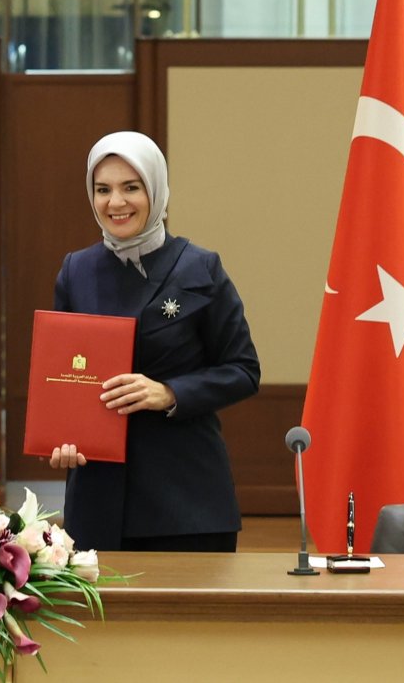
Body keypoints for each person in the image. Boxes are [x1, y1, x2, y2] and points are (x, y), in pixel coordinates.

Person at [48, 130, 261, 552]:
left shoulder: (200, 268)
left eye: (131, 187)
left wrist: (169, 392)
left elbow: (243, 370)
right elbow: (64, 373)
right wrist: (62, 437)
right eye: (103, 189)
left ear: (157, 189)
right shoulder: (76, 271)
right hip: (99, 500)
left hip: (186, 500)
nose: (116, 202)